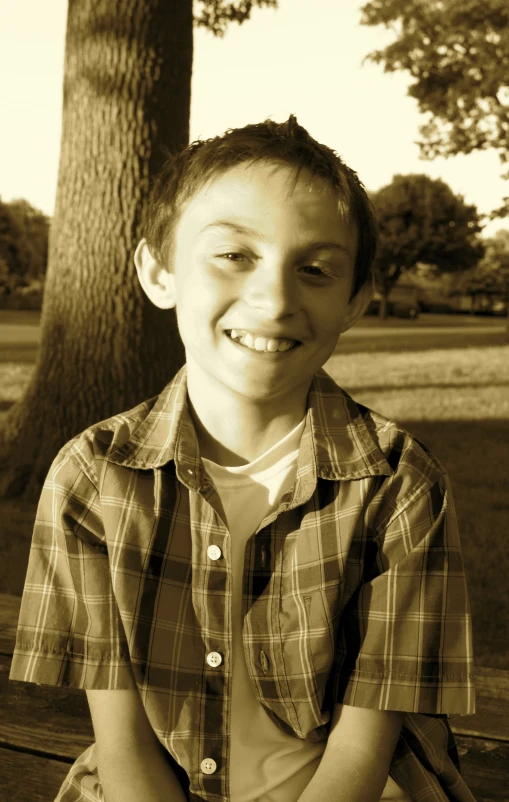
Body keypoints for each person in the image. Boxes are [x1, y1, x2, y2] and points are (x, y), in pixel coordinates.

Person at [10, 117, 476, 802]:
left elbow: (360, 752)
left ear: (355, 300)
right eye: (234, 255)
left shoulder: (398, 487)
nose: (275, 298)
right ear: (157, 271)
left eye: (313, 270)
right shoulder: (90, 478)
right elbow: (123, 742)